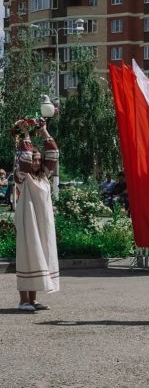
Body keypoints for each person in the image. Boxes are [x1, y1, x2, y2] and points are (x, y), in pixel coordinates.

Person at [13, 119, 60, 311]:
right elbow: (24, 157)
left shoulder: (44, 176)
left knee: (41, 256)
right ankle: (23, 300)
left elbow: (54, 154)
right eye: (34, 159)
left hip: (42, 223)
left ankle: (33, 300)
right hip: (27, 223)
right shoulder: (21, 176)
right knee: (27, 256)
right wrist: (26, 133)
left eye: (38, 159)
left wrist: (44, 132)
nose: (36, 162)